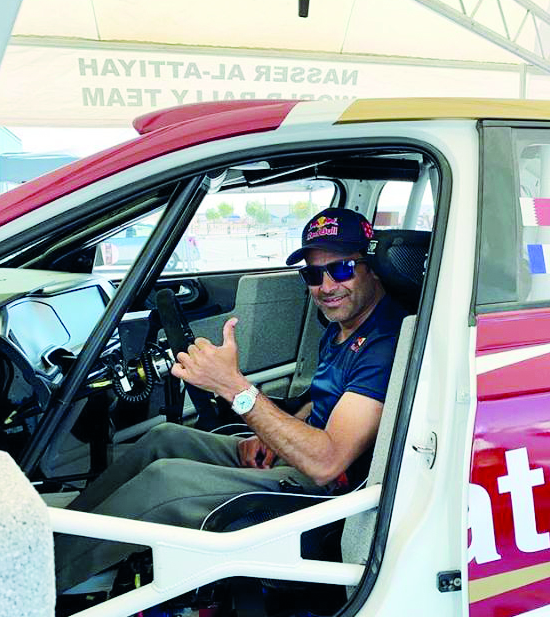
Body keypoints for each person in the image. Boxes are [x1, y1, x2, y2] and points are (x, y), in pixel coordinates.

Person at [54, 208, 408, 593]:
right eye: (312, 274)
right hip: (303, 454)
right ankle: (55, 538)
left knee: (166, 481)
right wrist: (277, 435)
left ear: (371, 267)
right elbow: (322, 401)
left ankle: (36, 584)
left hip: (326, 488)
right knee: (165, 438)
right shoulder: (343, 325)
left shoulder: (383, 343)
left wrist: (233, 387)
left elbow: (326, 462)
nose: (325, 287)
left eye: (341, 269)